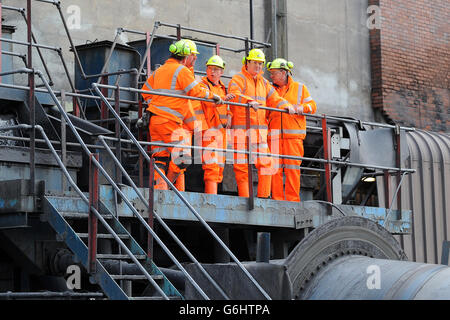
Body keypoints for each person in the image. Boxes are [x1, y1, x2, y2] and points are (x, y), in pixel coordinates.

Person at [141, 39, 222, 190]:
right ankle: (169, 184)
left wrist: (156, 105)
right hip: (170, 122)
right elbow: (195, 91)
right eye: (193, 55)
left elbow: (145, 91)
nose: (195, 58)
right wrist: (213, 96)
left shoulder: (159, 71)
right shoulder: (182, 70)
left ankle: (161, 191)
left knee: (160, 158)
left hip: (155, 122)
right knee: (183, 157)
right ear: (185, 56)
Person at [227, 49, 294, 198]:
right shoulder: (238, 79)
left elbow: (275, 98)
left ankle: (263, 197)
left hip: (259, 134)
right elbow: (233, 95)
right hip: (241, 132)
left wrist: (286, 106)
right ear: (247, 63)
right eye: (255, 63)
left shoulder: (264, 83)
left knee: (267, 164)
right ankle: (245, 199)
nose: (258, 66)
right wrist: (249, 100)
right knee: (242, 169)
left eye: (260, 64)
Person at [266, 58, 317, 202]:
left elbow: (312, 106)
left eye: (274, 73)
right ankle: (277, 199)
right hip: (274, 136)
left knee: (292, 170)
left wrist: (300, 108)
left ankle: (292, 200)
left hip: (293, 138)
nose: (271, 76)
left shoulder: (300, 88)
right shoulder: (270, 90)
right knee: (274, 170)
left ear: (283, 73)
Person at [196, 55, 234, 194]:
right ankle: (211, 197)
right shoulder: (202, 85)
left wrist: (229, 116)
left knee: (219, 166)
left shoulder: (223, 88)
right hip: (209, 131)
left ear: (221, 72)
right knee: (211, 166)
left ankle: (215, 196)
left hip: (221, 131)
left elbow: (228, 107)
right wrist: (223, 99)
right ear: (206, 69)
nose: (213, 72)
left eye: (216, 69)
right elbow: (208, 101)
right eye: (210, 68)